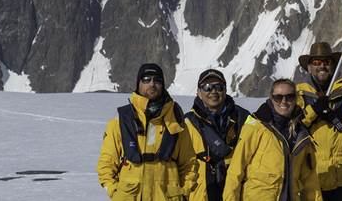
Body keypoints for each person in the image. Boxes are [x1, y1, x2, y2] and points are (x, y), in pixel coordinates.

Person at [97, 63, 196, 201]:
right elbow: (106, 164)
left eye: (157, 80)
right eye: (146, 79)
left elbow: (189, 164)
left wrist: (183, 193)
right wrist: (115, 192)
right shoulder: (121, 121)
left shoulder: (175, 122)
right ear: (138, 83)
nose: (152, 84)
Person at [223, 79, 322, 201]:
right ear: (271, 98)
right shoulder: (256, 126)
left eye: (289, 97)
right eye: (278, 97)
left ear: (296, 99)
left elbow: (310, 182)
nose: (284, 102)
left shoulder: (301, 134)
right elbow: (235, 171)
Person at [296, 37, 342, 201]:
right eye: (316, 61)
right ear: (309, 67)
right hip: (313, 179)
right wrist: (314, 110)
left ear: (333, 65)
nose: (322, 65)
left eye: (326, 61)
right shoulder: (297, 95)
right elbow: (294, 127)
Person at [183, 69, 251, 201]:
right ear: (198, 93)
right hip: (200, 195)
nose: (213, 91)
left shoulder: (244, 119)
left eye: (219, 87)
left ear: (225, 90)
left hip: (236, 194)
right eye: (207, 87)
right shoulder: (187, 123)